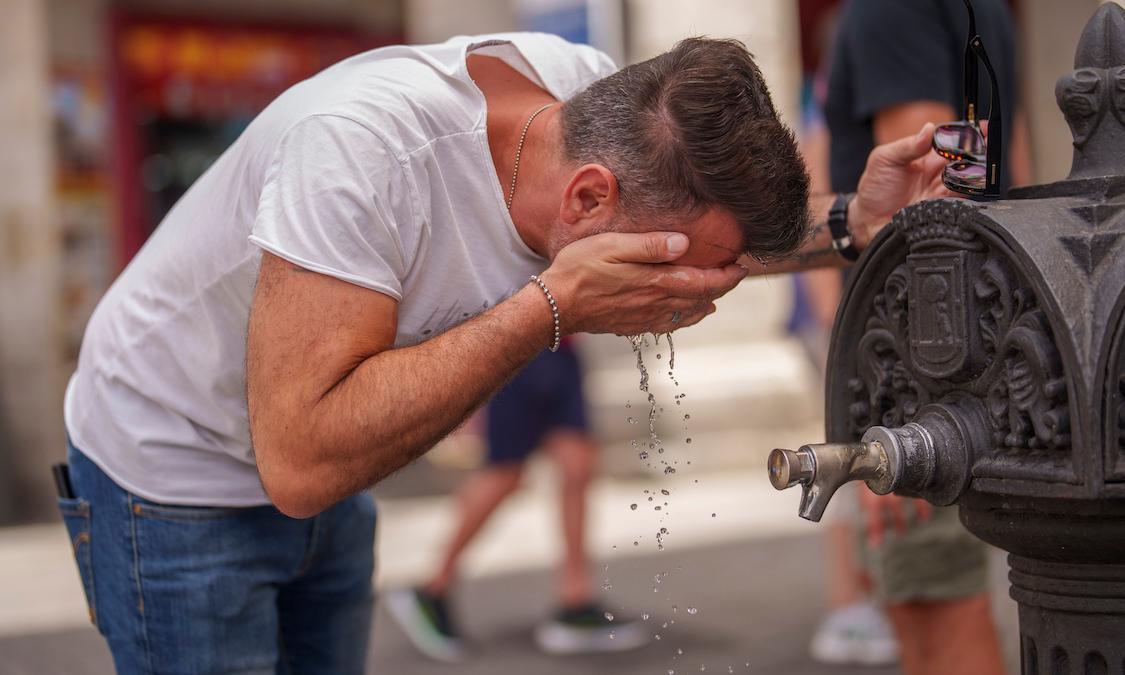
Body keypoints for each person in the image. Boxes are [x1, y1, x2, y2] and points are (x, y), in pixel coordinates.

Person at [57, 30, 950, 674]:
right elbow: (299, 457)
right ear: (591, 199)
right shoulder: (361, 158)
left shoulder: (600, 109)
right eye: (668, 270)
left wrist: (847, 223)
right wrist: (551, 308)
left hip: (326, 469)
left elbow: (710, 239)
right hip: (169, 469)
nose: (699, 295)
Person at [822, 1, 1032, 673]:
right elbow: (1000, 172)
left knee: (936, 600)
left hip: (926, 362)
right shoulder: (982, 8)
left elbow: (928, 196)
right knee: (934, 595)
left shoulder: (896, 6)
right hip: (973, 340)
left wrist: (898, 407)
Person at [389, 340, 647, 659]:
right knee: (505, 475)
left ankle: (575, 602)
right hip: (514, 350)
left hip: (563, 346)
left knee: (577, 465)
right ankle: (432, 588)